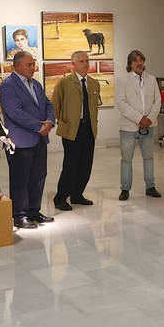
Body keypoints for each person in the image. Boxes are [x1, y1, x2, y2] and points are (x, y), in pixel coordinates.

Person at [0, 52, 55, 228]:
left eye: (33, 64)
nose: (33, 68)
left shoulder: (36, 84)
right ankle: (19, 215)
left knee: (38, 177)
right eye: (29, 65)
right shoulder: (8, 85)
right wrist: (40, 126)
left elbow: (48, 104)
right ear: (17, 66)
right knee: (20, 179)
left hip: (39, 139)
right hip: (20, 140)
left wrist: (50, 122)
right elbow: (15, 112)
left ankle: (33, 211)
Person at [52, 51, 99, 211]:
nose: (85, 64)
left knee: (86, 164)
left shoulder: (93, 83)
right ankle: (60, 197)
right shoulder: (65, 82)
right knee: (71, 164)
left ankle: (77, 195)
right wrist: (63, 122)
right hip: (72, 129)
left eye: (87, 61)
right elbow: (55, 104)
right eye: (81, 61)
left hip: (88, 129)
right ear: (73, 64)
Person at [116, 50, 162, 200]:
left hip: (148, 125)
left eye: (141, 60)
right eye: (136, 60)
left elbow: (157, 101)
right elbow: (122, 104)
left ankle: (150, 186)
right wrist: (139, 118)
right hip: (129, 126)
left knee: (148, 157)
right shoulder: (122, 80)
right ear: (130, 64)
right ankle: (125, 189)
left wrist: (148, 119)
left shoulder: (151, 79)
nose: (139, 63)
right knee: (126, 159)